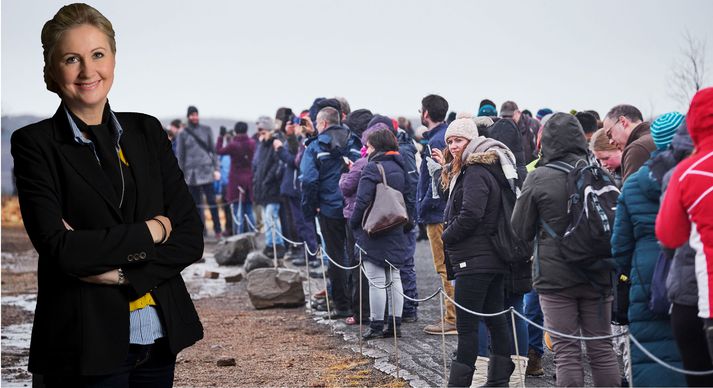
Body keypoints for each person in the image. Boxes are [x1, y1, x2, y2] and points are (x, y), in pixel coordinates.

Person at [10, 4, 204, 386]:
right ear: (51, 70)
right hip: (81, 344)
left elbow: (190, 239)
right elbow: (61, 249)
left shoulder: (147, 132)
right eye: (71, 59)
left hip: (158, 336)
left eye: (97, 54)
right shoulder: (34, 144)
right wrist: (153, 230)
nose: (87, 71)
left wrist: (118, 275)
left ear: (114, 59)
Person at [512, 113, 621, 387]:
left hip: (555, 277)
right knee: (602, 349)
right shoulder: (598, 173)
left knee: (567, 352)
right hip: (598, 274)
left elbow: (520, 229)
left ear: (546, 141)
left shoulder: (538, 177)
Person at [432, 113, 516, 387]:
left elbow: (471, 214)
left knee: (468, 327)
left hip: (475, 260)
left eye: (458, 140)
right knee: (495, 320)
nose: (453, 146)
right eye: (450, 141)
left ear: (472, 140)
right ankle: (498, 382)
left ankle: (459, 384)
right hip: (490, 258)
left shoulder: (476, 171)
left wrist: (447, 235)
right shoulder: (483, 168)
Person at [611, 112, 686, 387]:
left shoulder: (633, 185)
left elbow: (619, 249)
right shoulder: (701, 176)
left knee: (653, 364)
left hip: (648, 284)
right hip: (696, 282)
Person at [349, 127, 415, 339]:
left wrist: (354, 222)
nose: (366, 151)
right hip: (396, 226)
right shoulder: (401, 165)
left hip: (374, 228)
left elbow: (362, 200)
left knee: (376, 279)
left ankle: (376, 324)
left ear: (375, 147)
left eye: (367, 147)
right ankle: (395, 324)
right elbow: (409, 195)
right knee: (394, 276)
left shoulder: (372, 168)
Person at [300, 106, 362, 319]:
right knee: (356, 256)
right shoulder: (355, 142)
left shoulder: (315, 146)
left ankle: (342, 305)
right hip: (355, 206)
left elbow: (308, 179)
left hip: (329, 207)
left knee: (336, 256)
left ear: (323, 123)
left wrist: (310, 207)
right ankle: (359, 307)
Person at [417, 94, 457, 335]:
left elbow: (435, 182)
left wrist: (424, 207)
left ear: (425, 113)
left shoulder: (435, 142)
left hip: (438, 213)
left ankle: (452, 318)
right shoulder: (444, 137)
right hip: (442, 211)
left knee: (444, 267)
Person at [176, 105, 222, 238]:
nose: (194, 117)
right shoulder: (182, 134)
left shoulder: (207, 130)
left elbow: (213, 151)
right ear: (188, 117)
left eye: (196, 114)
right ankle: (202, 231)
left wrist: (217, 169)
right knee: (197, 205)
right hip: (191, 175)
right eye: (192, 115)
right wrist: (181, 175)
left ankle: (218, 230)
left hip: (207, 171)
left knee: (212, 202)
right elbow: (180, 156)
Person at [252, 115, 287, 259]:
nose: (260, 132)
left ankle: (277, 245)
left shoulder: (275, 143)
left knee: (270, 217)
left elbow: (277, 165)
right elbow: (258, 166)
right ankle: (270, 244)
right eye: (259, 129)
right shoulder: (262, 145)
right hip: (263, 187)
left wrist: (268, 180)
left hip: (272, 188)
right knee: (268, 218)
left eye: (262, 129)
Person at [216, 121, 256, 234]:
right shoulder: (252, 143)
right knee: (249, 210)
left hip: (236, 180)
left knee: (238, 210)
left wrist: (220, 137)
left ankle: (239, 237)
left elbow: (218, 150)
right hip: (249, 179)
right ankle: (252, 234)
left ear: (235, 131)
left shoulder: (233, 145)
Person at [602, 104, 654, 182]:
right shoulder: (660, 137)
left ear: (623, 121)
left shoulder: (636, 149)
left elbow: (631, 193)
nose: (610, 142)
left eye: (610, 134)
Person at [500, 100, 539, 164]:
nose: (507, 119)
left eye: (510, 116)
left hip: (530, 167)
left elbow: (538, 149)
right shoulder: (499, 127)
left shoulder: (533, 125)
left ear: (518, 113)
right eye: (504, 117)